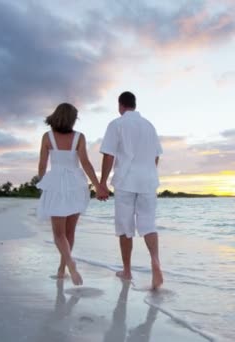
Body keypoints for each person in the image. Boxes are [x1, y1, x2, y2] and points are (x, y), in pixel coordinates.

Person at [37, 102, 108, 286]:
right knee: (70, 232)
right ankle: (63, 268)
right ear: (72, 119)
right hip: (76, 184)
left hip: (56, 184)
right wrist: (99, 185)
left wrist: (42, 183)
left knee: (59, 234)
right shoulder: (79, 137)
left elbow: (42, 165)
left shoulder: (47, 137)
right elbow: (85, 163)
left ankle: (69, 264)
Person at [99, 91, 164, 290]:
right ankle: (155, 261)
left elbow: (109, 155)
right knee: (148, 224)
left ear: (121, 105)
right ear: (134, 105)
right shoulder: (149, 126)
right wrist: (148, 173)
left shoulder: (116, 124)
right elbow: (156, 156)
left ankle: (127, 271)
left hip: (126, 181)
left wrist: (102, 183)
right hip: (148, 181)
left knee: (125, 227)